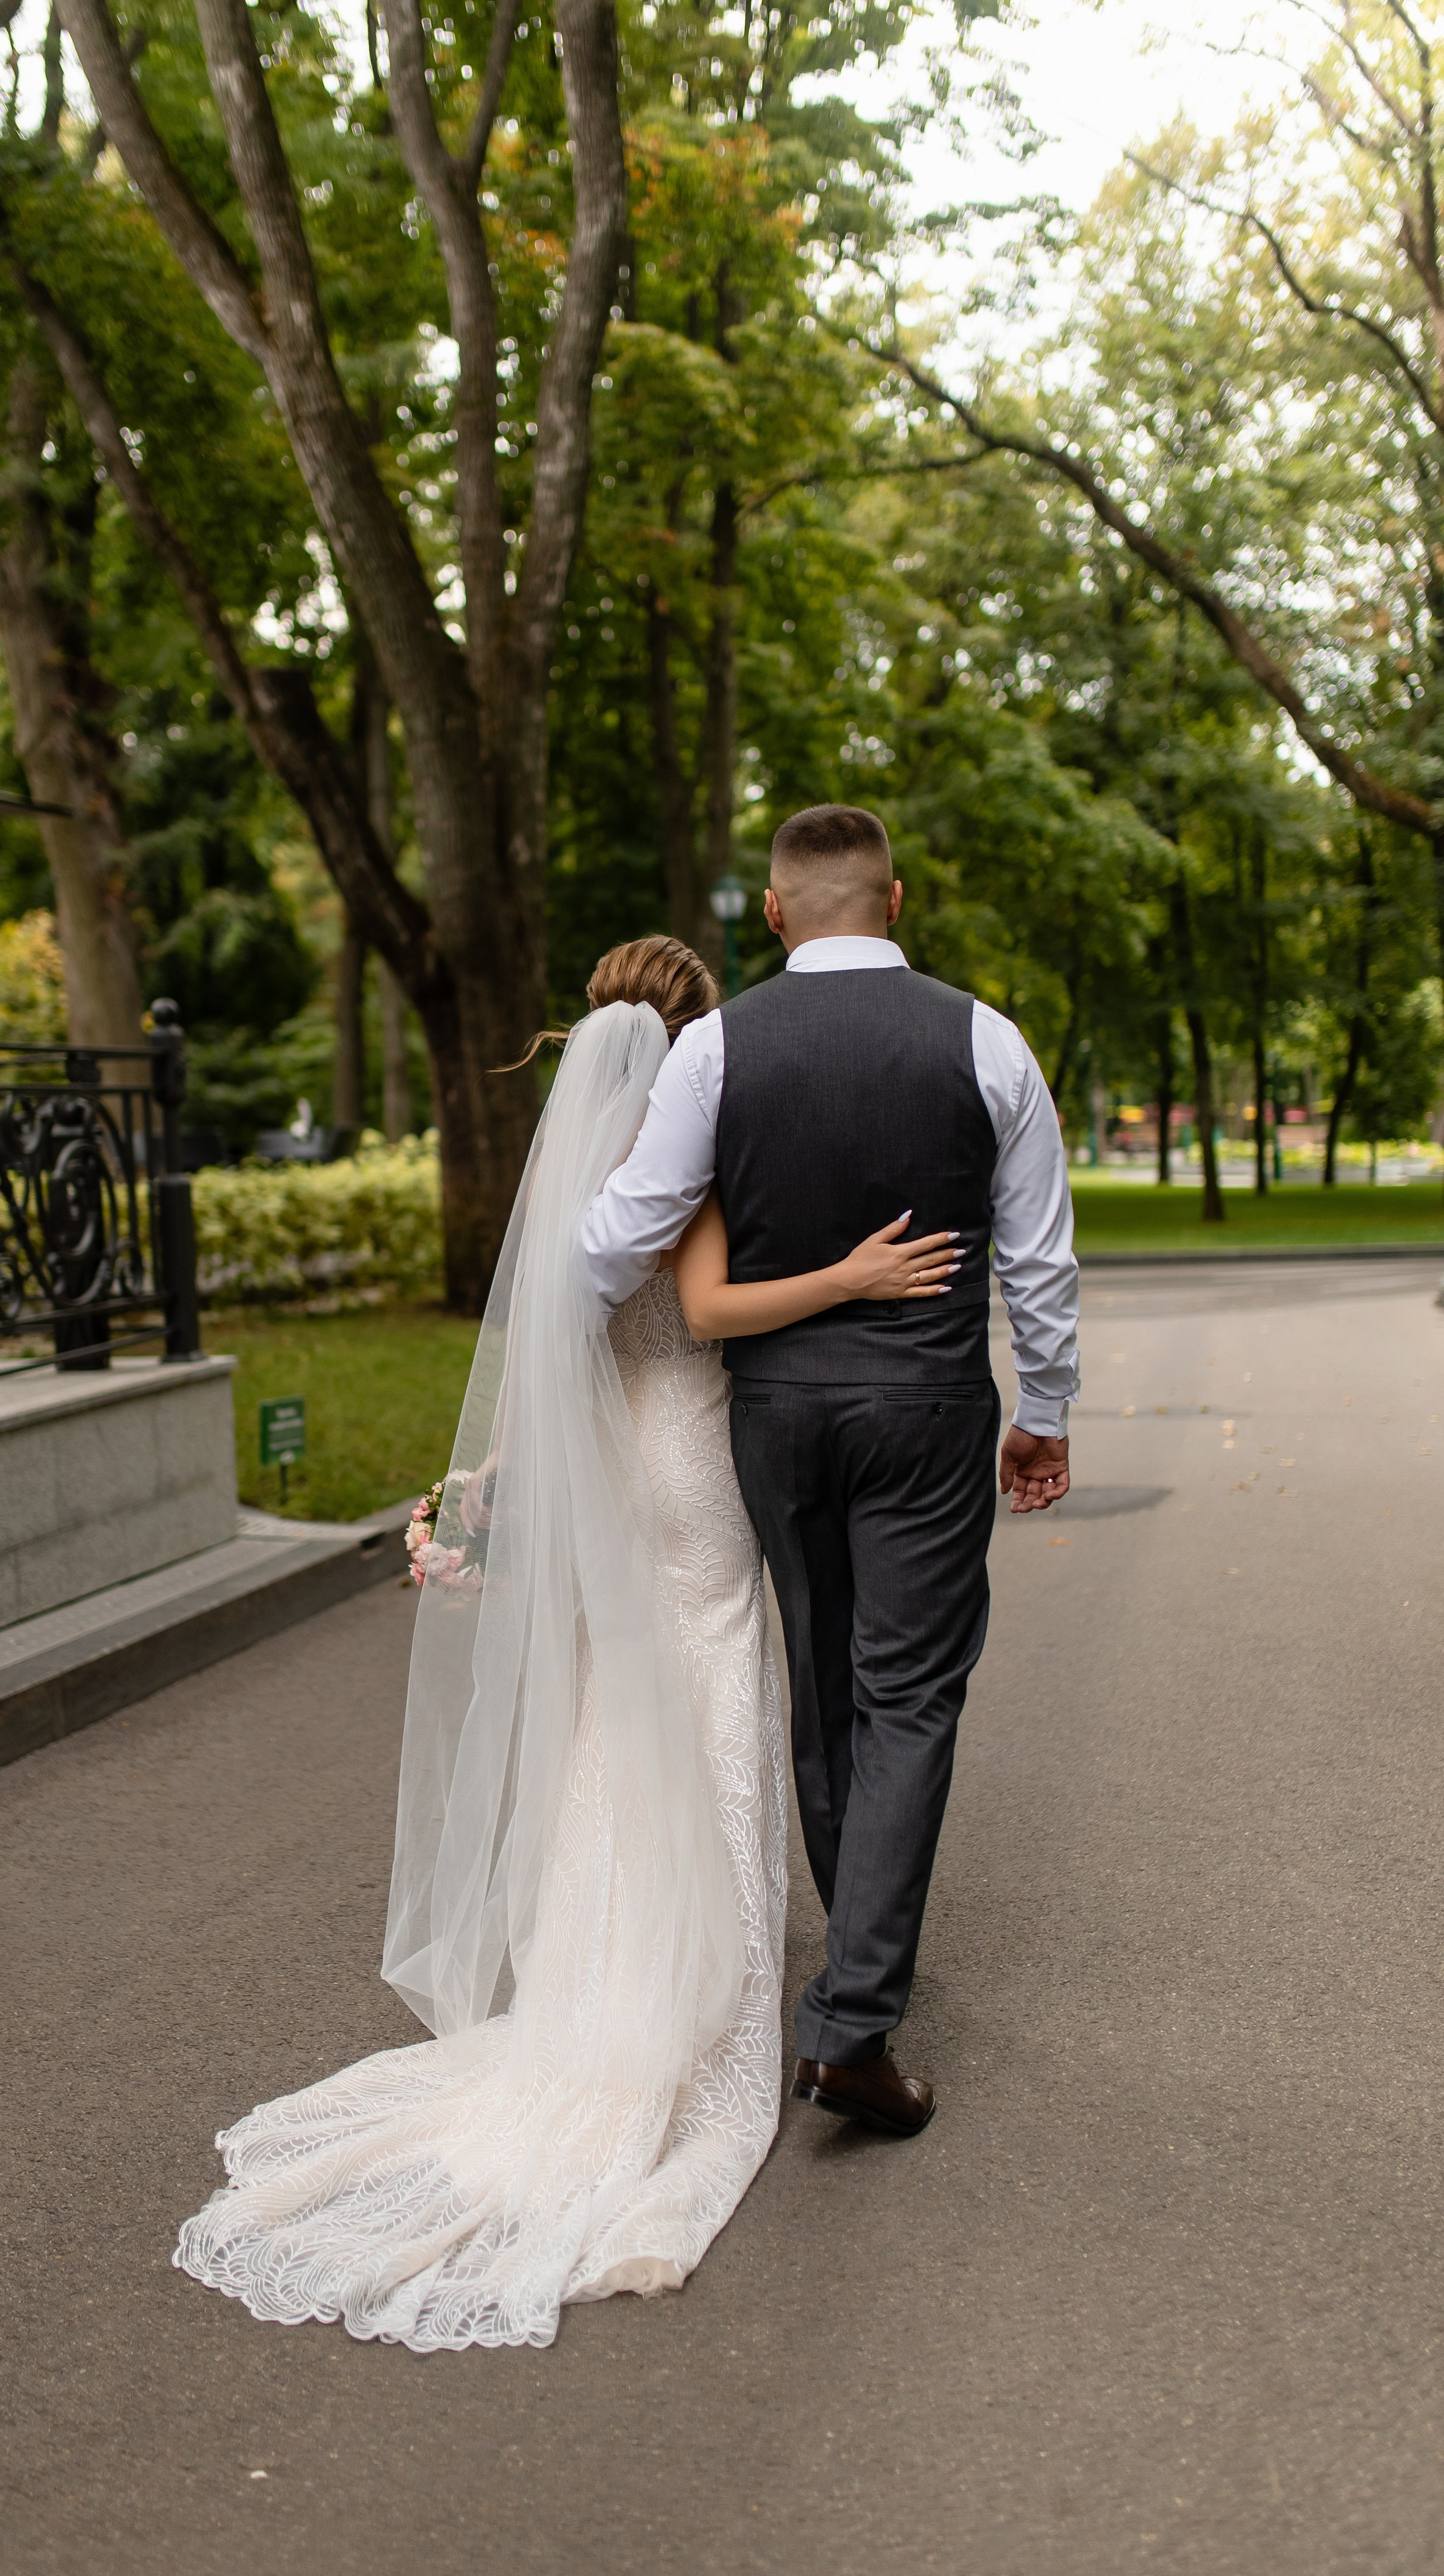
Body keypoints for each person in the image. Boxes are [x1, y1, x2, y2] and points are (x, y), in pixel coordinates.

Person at [179, 936, 934, 2353]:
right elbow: (706, 1312)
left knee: (607, 1710)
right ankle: (696, 2000)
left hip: (598, 1463)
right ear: (698, 1037)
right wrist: (850, 1275)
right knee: (715, 1682)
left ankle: (595, 1980)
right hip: (690, 1458)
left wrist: (490, 1492)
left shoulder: (573, 1166)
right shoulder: (688, 1146)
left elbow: (542, 1341)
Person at [580, 806, 1078, 2137]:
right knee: (907, 1694)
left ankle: (849, 1985)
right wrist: (1047, 1408)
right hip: (923, 1407)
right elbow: (1034, 1256)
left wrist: (540, 1364)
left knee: (825, 1686)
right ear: (895, 900)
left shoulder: (717, 1048)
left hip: (776, 1415)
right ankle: (851, 2018)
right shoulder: (985, 1038)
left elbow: (619, 1234)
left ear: (772, 911)